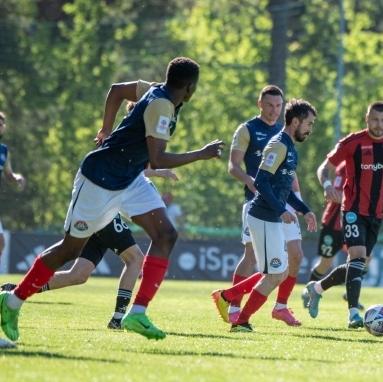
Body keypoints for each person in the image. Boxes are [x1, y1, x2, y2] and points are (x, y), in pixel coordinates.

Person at [0, 57, 225, 342]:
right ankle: (12, 301)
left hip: (129, 180)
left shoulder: (154, 89)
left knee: (166, 234)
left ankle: (137, 313)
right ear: (190, 87)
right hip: (99, 180)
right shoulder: (161, 104)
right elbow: (157, 157)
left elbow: (117, 89)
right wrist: (201, 153)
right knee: (69, 251)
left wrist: (107, 128)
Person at [1, 170, 178, 330]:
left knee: (78, 275)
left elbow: (133, 172)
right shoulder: (128, 152)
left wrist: (155, 172)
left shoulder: (130, 157)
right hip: (105, 216)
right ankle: (118, 319)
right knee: (135, 259)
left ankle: (16, 292)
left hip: (99, 216)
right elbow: (127, 172)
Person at [305, 101, 383, 328]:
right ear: (367, 119)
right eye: (375, 120)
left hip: (377, 213)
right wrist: (327, 185)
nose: (379, 125)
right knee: (357, 256)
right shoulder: (352, 143)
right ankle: (353, 314)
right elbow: (323, 167)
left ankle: (316, 288)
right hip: (353, 210)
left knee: (356, 262)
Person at [213, 98, 318, 332]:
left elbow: (283, 188)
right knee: (275, 274)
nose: (310, 130)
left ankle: (231, 300)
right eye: (308, 124)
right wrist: (281, 211)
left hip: (270, 218)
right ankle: (240, 320)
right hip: (263, 217)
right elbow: (260, 181)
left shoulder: (290, 148)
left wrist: (304, 209)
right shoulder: (279, 145)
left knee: (277, 273)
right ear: (295, 122)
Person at [300, 161, 370, 310]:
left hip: (356, 223)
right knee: (326, 263)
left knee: (366, 257)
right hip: (334, 224)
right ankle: (309, 291)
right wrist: (359, 198)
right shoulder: (344, 167)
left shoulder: (369, 166)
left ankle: (350, 293)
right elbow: (335, 195)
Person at [0, 111, 26, 264]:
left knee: (1, 243)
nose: (0, 127)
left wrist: (17, 178)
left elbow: (7, 175)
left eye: (1, 124)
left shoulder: (3, 151)